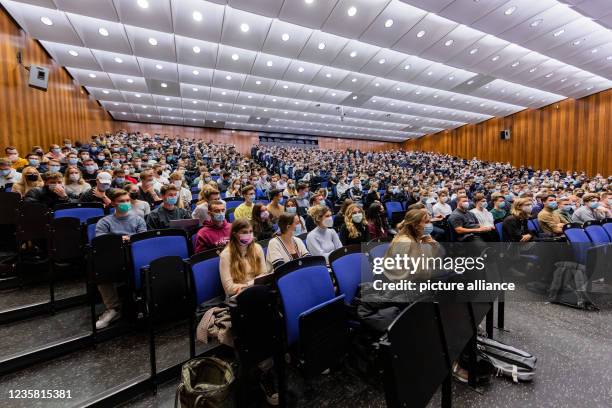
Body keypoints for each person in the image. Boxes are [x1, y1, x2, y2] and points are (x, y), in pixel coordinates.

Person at [94, 189, 146, 329]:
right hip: (114, 257)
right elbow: (102, 242)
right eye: (121, 201)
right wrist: (125, 239)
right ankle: (113, 309)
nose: (125, 203)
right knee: (101, 270)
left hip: (135, 256)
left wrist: (120, 239)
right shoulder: (104, 222)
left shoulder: (138, 219)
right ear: (113, 204)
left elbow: (142, 239)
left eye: (127, 201)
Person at [219, 218, 268, 296]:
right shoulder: (226, 255)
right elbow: (229, 289)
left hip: (257, 289)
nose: (249, 235)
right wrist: (252, 284)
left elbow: (264, 275)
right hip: (238, 295)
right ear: (235, 234)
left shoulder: (257, 248)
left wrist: (248, 285)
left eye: (251, 231)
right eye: (244, 232)